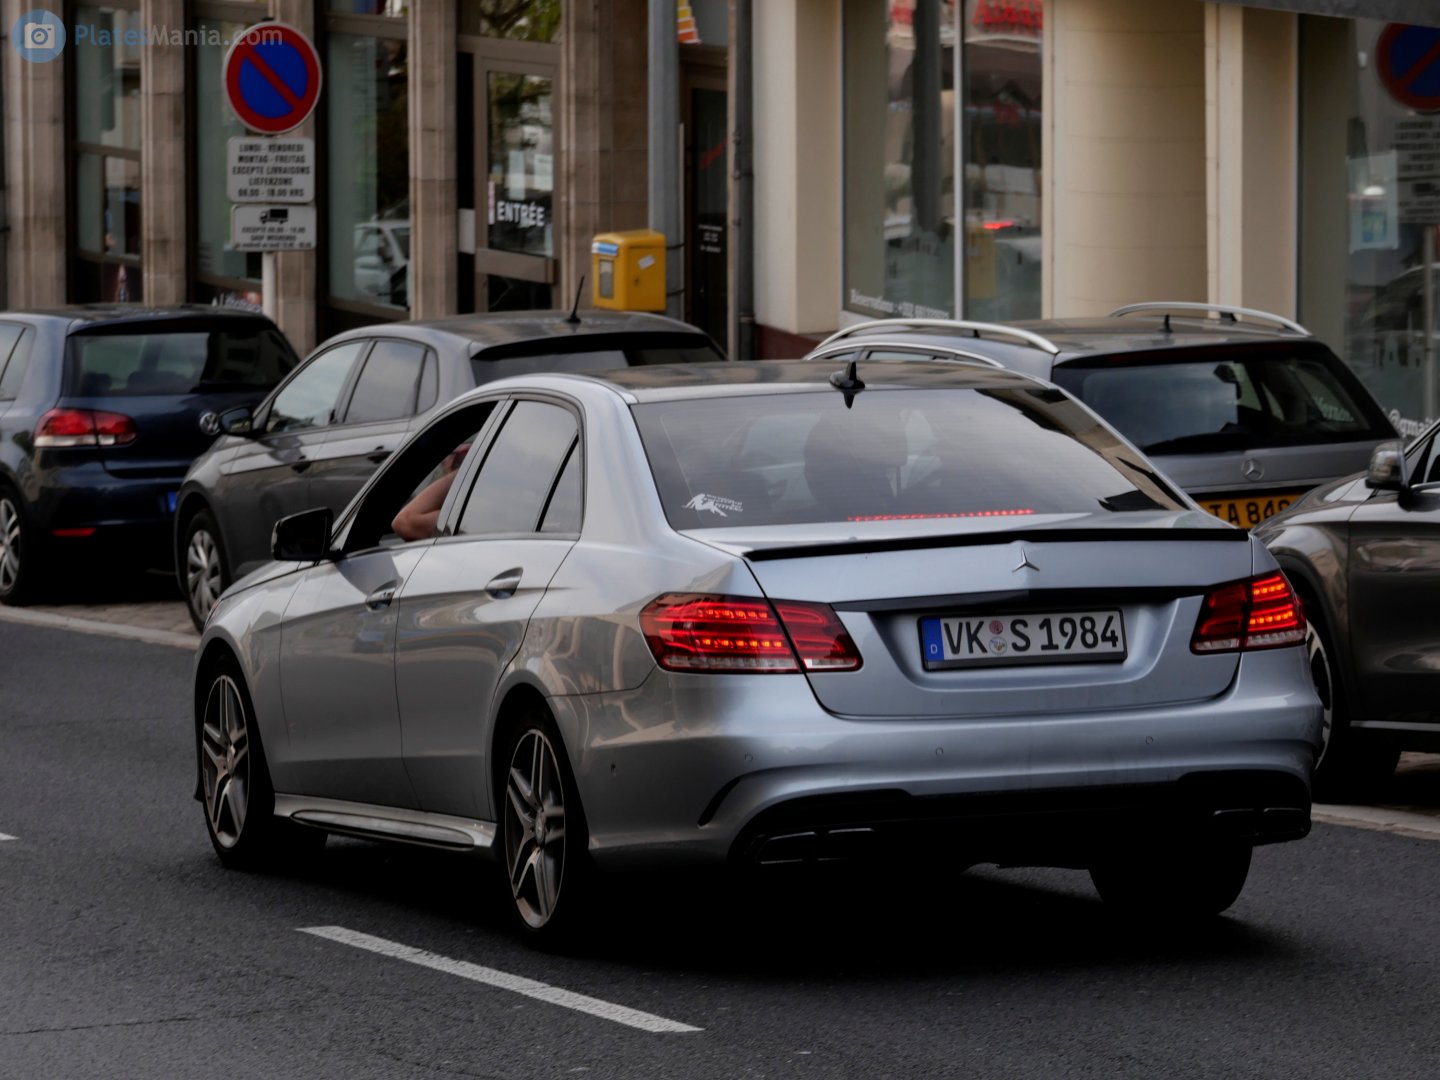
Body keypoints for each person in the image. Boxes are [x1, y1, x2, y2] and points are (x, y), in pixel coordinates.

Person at [391, 442, 471, 541]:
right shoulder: (481, 517)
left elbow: (403, 522)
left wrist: (464, 473)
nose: (445, 463)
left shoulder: (465, 517)